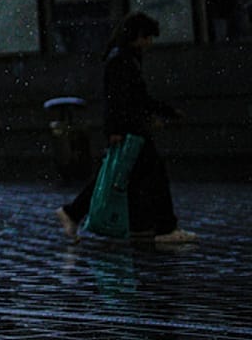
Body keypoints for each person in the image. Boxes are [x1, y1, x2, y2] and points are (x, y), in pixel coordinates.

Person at [56, 12, 195, 244]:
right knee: (148, 175)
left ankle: (76, 212)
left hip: (130, 128)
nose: (149, 43)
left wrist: (157, 114)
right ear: (138, 36)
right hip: (130, 130)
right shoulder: (122, 60)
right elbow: (120, 99)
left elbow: (132, 99)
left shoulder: (124, 58)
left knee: (119, 176)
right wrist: (116, 129)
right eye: (148, 37)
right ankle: (164, 227)